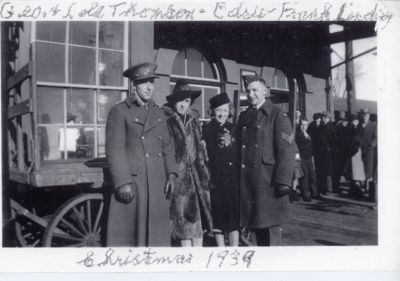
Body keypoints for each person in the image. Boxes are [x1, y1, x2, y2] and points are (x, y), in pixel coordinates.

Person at [105, 62, 178, 247]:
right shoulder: (119, 112)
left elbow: (167, 147)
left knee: (156, 241)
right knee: (132, 240)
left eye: (151, 82)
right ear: (133, 85)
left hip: (157, 184)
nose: (148, 87)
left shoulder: (159, 113)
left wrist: (172, 173)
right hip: (135, 184)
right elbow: (115, 150)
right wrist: (122, 182)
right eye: (144, 82)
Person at [237, 75, 296, 246]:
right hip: (249, 182)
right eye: (248, 91)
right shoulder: (245, 116)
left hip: (268, 182)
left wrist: (284, 181)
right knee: (256, 228)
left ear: (265, 92)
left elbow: (287, 149)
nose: (251, 94)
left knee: (270, 230)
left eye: (255, 90)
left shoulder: (278, 115)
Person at [163, 80, 213, 247]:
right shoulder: (166, 119)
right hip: (179, 179)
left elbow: (200, 146)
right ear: (173, 101)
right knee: (183, 228)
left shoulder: (193, 120)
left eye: (187, 101)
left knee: (198, 226)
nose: (184, 105)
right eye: (180, 101)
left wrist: (204, 168)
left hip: (197, 178)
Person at [202, 92, 240, 246]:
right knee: (218, 216)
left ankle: (234, 251)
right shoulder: (207, 129)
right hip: (215, 179)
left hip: (232, 179)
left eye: (225, 110)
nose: (222, 114)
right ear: (213, 112)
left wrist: (230, 143)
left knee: (233, 218)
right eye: (218, 110)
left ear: (229, 111)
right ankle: (221, 250)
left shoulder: (234, 128)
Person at [295, 118, 318, 201]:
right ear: (300, 125)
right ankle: (305, 194)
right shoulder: (297, 134)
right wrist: (303, 131)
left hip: (309, 157)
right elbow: (304, 141)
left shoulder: (308, 133)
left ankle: (314, 193)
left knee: (312, 175)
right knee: (305, 175)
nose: (305, 127)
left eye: (306, 125)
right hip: (301, 158)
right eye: (303, 125)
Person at [358, 108, 377, 201]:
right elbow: (357, 137)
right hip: (360, 151)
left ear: (369, 115)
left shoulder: (373, 125)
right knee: (361, 171)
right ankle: (362, 191)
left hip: (369, 152)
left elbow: (376, 138)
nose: (364, 117)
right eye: (363, 115)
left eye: (366, 115)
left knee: (369, 172)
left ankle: (369, 191)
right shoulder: (359, 125)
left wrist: (371, 145)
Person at [317, 111, 336, 195]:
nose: (321, 118)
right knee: (323, 170)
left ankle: (328, 188)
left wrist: (329, 148)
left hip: (327, 152)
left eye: (322, 117)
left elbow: (333, 140)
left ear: (326, 117)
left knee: (327, 170)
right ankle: (324, 188)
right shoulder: (323, 126)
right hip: (322, 152)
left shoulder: (330, 127)